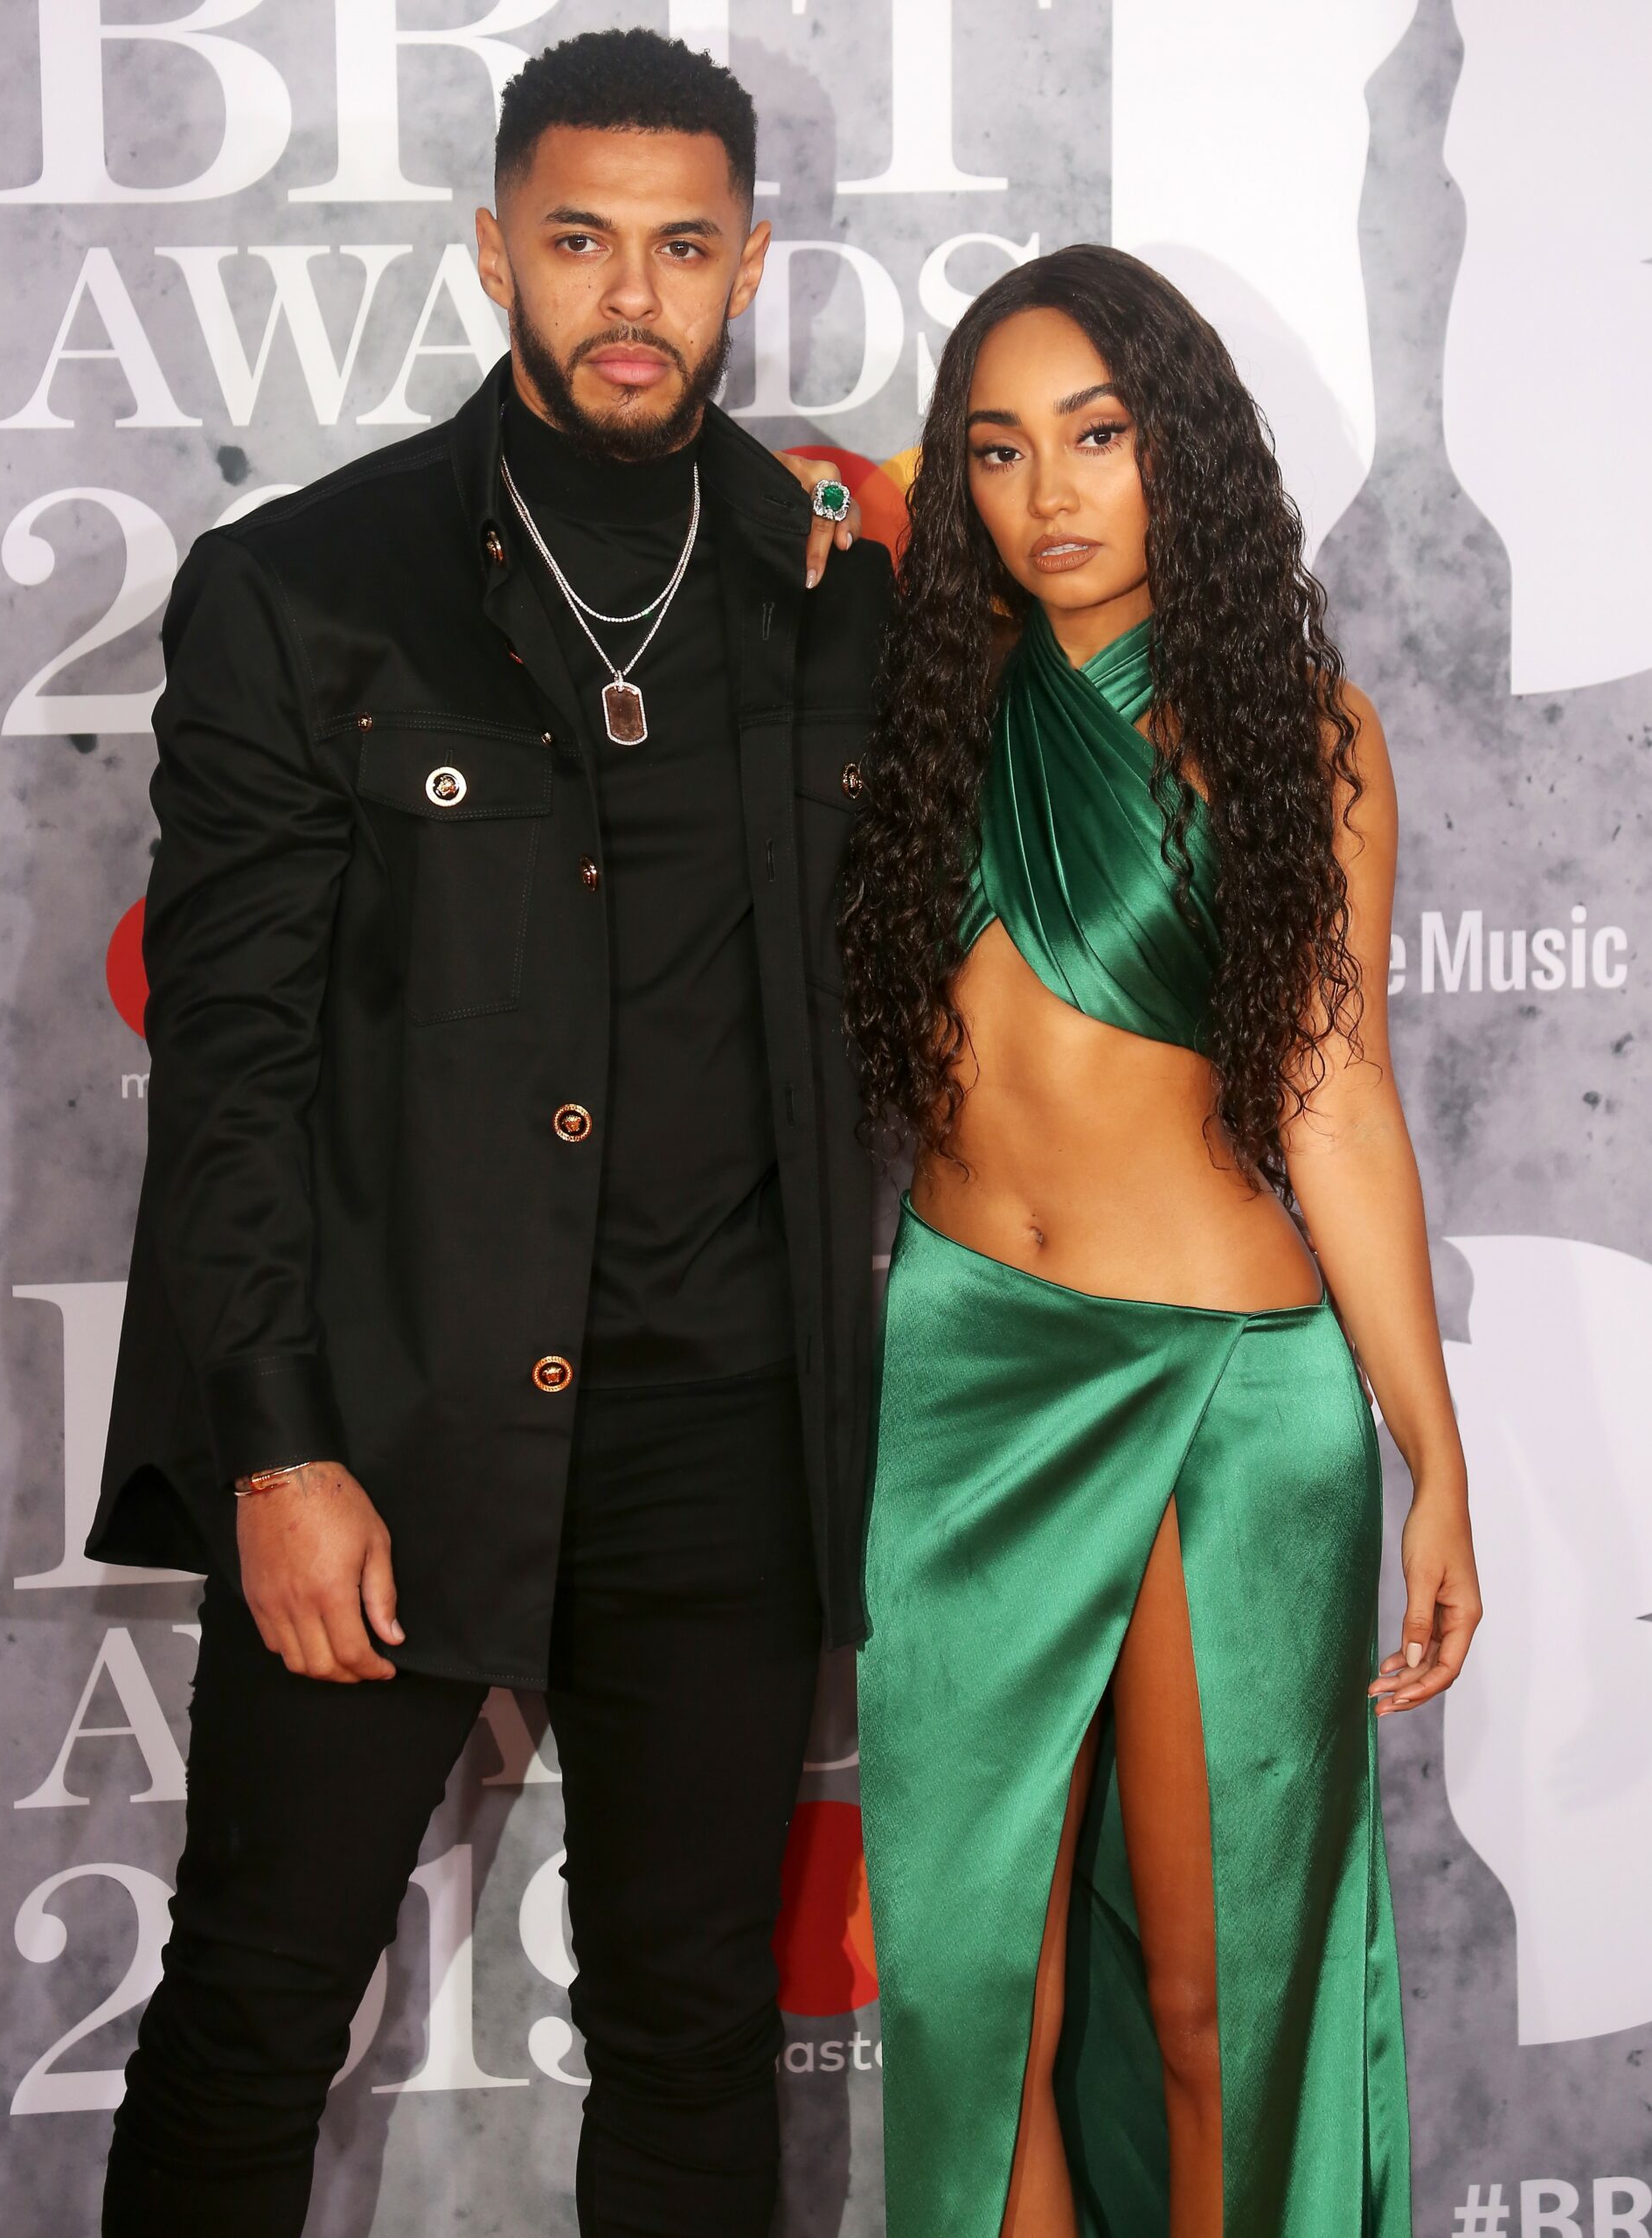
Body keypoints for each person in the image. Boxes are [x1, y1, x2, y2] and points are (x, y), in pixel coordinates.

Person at [89, 29, 887, 2238]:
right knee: (255, 2004)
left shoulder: (852, 599)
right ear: (493, 253)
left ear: (746, 263)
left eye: (683, 245)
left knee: (696, 2028)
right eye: (579, 242)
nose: (631, 294)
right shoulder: (305, 595)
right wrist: (274, 1445)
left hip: (722, 1430)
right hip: (389, 1412)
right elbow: (231, 1066)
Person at [842, 245, 1482, 2238]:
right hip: (965, 1375)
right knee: (968, 1996)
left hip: (1226, 1391)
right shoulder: (923, 704)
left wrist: (1429, 1442)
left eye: (1099, 440)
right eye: (999, 449)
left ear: (1176, 451)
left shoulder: (1301, 731)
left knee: (1217, 2000)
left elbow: (1332, 1093)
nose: (1051, 496)